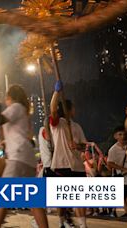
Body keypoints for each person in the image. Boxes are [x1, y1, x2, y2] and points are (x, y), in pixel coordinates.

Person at [0, 85, 48, 228]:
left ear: (10, 97)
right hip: (27, 159)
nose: (5, 100)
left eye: (6, 97)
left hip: (18, 158)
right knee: (34, 202)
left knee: (2, 199)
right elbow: (28, 139)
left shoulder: (16, 107)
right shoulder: (23, 113)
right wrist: (5, 143)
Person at [49, 81, 88, 228]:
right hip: (61, 164)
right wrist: (56, 92)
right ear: (68, 109)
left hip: (77, 166)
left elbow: (84, 146)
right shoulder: (58, 124)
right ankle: (62, 223)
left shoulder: (77, 126)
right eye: (73, 107)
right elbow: (53, 109)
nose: (75, 109)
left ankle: (83, 225)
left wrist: (77, 145)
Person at [108, 126, 127, 228]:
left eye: (124, 134)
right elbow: (110, 163)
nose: (122, 136)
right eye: (120, 134)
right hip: (126, 178)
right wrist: (125, 169)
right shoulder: (113, 150)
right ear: (115, 136)